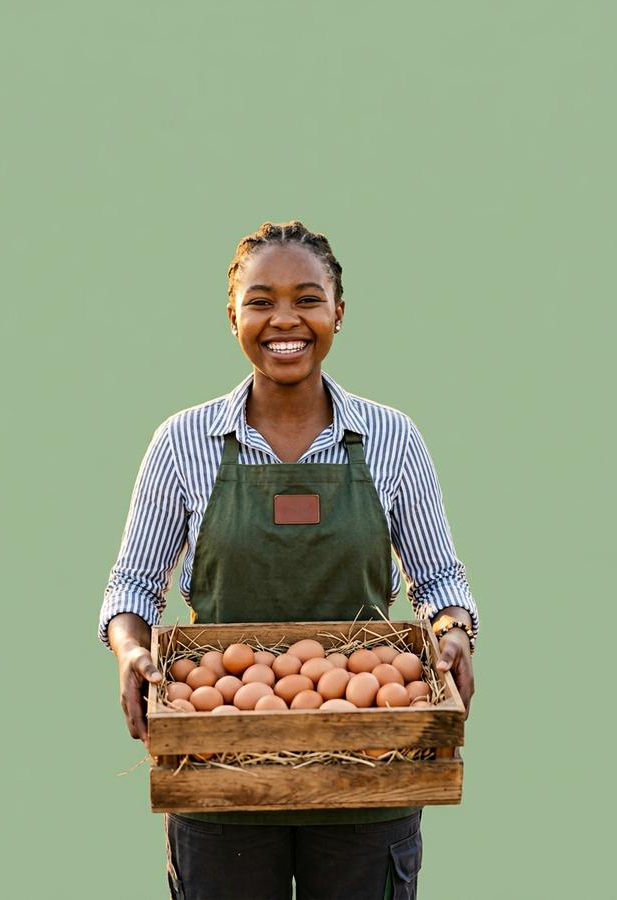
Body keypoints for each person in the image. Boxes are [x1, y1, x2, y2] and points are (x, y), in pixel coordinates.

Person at [99, 221, 478, 900]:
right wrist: (131, 652)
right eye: (260, 300)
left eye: (306, 298)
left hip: (369, 765)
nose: (285, 320)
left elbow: (440, 580)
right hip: (219, 770)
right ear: (232, 315)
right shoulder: (183, 442)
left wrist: (452, 633)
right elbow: (132, 584)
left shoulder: (392, 438)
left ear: (338, 310)